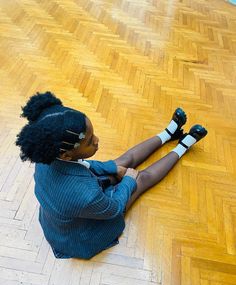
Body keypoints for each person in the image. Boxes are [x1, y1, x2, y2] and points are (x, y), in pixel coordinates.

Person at [15, 91, 207, 259]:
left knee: (122, 162)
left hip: (72, 201)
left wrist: (112, 168)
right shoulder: (86, 196)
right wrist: (129, 181)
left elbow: (86, 164)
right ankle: (183, 146)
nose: (97, 141)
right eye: (90, 141)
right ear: (66, 154)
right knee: (142, 179)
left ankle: (167, 134)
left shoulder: (46, 157)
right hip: (81, 232)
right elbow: (114, 208)